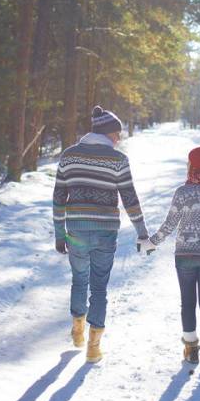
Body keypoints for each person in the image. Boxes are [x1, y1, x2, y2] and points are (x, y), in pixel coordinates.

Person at [52, 105, 149, 363]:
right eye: (117, 133)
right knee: (99, 287)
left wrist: (59, 233)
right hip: (106, 231)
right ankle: (94, 347)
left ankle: (77, 327)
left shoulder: (69, 156)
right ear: (108, 133)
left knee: (79, 280)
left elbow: (59, 197)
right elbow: (129, 198)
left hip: (76, 230)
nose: (119, 139)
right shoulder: (118, 160)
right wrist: (142, 232)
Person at [139, 145, 200, 372]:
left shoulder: (183, 193)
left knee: (188, 303)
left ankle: (191, 350)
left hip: (185, 256)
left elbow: (170, 224)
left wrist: (152, 242)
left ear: (192, 165)